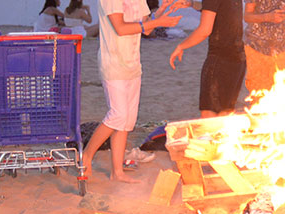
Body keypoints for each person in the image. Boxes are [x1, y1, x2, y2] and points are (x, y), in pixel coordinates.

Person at [82, 0, 182, 183]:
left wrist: (160, 12)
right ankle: (87, 155)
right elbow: (120, 28)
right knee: (118, 115)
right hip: (113, 64)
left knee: (127, 121)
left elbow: (146, 28)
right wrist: (158, 22)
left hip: (133, 65)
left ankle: (117, 172)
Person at [169, 0, 247, 118]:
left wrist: (181, 46)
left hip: (220, 59)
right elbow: (219, 9)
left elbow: (205, 30)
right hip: (237, 59)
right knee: (224, 115)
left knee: (209, 115)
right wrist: (191, 4)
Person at [243, 0, 285, 93]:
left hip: (280, 50)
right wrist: (267, 17)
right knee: (258, 93)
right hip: (256, 48)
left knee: (279, 91)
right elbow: (247, 17)